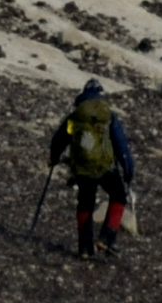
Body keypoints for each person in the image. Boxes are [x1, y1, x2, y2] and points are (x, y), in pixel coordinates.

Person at [48, 79, 133, 259]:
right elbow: (121, 145)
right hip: (105, 167)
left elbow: (59, 139)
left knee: (85, 203)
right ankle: (107, 237)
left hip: (82, 167)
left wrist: (54, 157)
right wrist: (128, 169)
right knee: (118, 196)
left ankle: (85, 249)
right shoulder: (108, 117)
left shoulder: (75, 118)